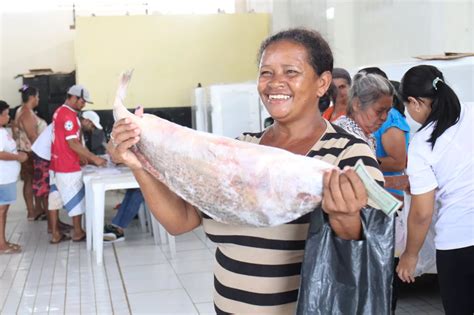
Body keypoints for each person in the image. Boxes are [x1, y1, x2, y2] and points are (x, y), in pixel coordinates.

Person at [107, 28, 388, 313]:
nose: (275, 83)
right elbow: (182, 221)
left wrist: (346, 218)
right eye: (266, 73)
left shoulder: (349, 155)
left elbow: (371, 248)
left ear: (322, 83)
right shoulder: (243, 148)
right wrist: (138, 163)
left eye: (291, 72)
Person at [396, 65, 474, 315]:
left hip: (458, 243)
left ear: (415, 102)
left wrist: (410, 255)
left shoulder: (422, 144)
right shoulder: (472, 112)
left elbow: (421, 212)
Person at [49, 85, 107, 244]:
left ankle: (55, 233)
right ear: (74, 97)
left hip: (55, 164)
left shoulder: (58, 111)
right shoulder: (69, 116)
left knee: (54, 198)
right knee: (76, 199)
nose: (84, 105)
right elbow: (73, 143)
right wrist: (95, 159)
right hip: (67, 165)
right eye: (82, 101)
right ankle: (78, 232)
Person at [333, 71, 394, 153]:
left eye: (388, 111)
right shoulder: (345, 137)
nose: (384, 117)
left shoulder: (364, 135)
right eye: (379, 111)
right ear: (357, 104)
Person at [12, 85, 47, 220]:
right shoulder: (27, 113)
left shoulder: (21, 111)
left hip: (25, 151)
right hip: (31, 152)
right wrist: (43, 153)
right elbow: (33, 137)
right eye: (37, 96)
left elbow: (16, 133)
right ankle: (32, 211)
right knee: (32, 181)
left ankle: (36, 209)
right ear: (32, 97)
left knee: (30, 181)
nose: (38, 99)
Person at [0, 100, 28, 254]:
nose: (8, 117)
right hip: (2, 178)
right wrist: (18, 157)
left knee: (3, 211)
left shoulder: (2, 131)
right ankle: (1, 245)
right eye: (5, 114)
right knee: (1, 211)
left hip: (6, 178)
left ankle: (2, 241)